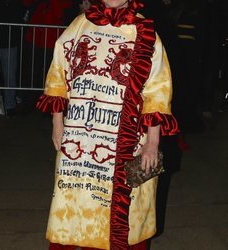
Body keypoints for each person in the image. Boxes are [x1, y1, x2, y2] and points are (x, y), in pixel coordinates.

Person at [36, 0, 179, 249]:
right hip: (79, 139)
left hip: (126, 142)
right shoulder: (79, 26)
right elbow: (58, 74)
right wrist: (57, 122)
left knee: (128, 212)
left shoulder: (145, 33)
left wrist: (153, 144)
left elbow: (157, 93)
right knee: (74, 205)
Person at [0, 0, 24, 116]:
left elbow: (20, 16)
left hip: (9, 42)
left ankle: (9, 106)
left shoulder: (14, 3)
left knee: (9, 75)